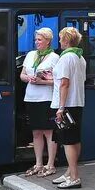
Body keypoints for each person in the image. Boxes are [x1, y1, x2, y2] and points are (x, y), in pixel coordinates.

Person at [20, 27, 59, 179]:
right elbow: (22, 74)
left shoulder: (54, 57)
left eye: (40, 40)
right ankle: (38, 163)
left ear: (48, 41)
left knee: (49, 132)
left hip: (46, 98)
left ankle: (50, 164)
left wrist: (42, 81)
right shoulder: (30, 55)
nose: (37, 42)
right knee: (36, 132)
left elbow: (58, 81)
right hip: (31, 97)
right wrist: (28, 78)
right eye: (36, 39)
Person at [51, 27, 86, 189]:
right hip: (77, 102)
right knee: (75, 139)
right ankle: (69, 172)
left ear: (66, 40)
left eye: (60, 38)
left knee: (68, 142)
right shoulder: (80, 58)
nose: (59, 41)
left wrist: (61, 107)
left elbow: (64, 83)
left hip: (66, 104)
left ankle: (74, 177)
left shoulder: (66, 58)